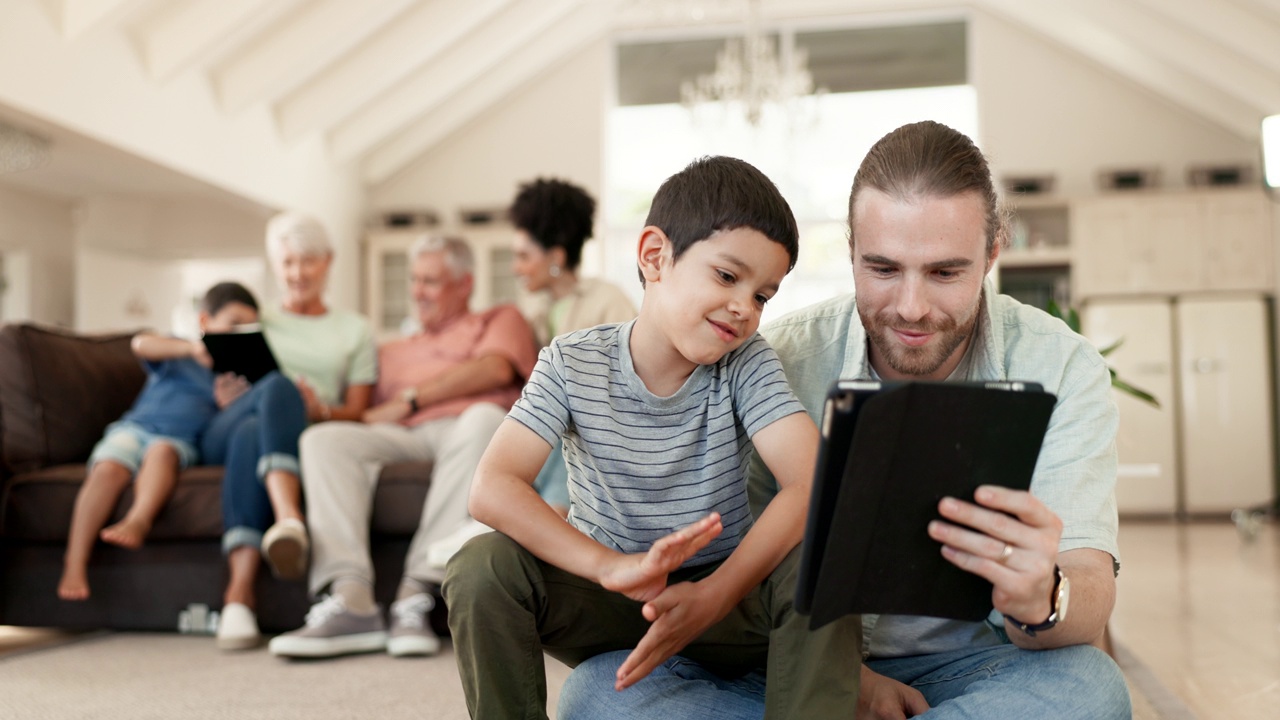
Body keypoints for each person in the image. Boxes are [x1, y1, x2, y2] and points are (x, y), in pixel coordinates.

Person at [559, 121, 1131, 719]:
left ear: (992, 253)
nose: (912, 307)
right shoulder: (770, 359)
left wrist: (1045, 596)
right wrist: (848, 680)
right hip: (779, 665)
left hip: (973, 667)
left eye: (944, 273)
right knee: (600, 693)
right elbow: (727, 565)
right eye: (883, 269)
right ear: (851, 250)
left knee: (1088, 688)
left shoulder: (1062, 365)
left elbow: (1090, 579)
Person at [443, 156, 863, 720]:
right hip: (612, 597)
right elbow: (491, 488)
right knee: (480, 568)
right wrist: (609, 568)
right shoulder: (571, 361)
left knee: (820, 556)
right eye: (726, 276)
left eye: (763, 295)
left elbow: (813, 481)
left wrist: (715, 594)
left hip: (725, 601)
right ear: (655, 257)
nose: (744, 307)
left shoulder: (746, 363)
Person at [268, 234, 538, 660]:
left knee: (485, 418)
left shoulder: (499, 318)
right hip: (404, 437)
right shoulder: (391, 348)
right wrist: (318, 409)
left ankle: (416, 590)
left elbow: (495, 367)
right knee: (323, 441)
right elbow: (363, 413)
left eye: (430, 281)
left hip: (465, 427)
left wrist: (412, 398)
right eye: (414, 280)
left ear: (463, 284)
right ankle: (351, 597)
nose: (416, 292)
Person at [208, 211, 377, 651]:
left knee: (253, 429)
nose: (297, 274)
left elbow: (358, 410)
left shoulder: (354, 329)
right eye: (287, 264)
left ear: (328, 262)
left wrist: (320, 409)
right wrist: (225, 391)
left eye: (307, 262)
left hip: (294, 431)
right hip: (229, 422)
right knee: (270, 395)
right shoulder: (252, 319)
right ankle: (288, 517)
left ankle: (238, 599)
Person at [57, 282, 261, 601]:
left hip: (177, 441)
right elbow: (141, 344)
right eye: (233, 323)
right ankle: (74, 561)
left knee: (162, 453)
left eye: (247, 328)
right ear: (205, 322)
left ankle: (138, 520)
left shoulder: (233, 376)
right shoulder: (178, 351)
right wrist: (191, 348)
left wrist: (226, 406)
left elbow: (223, 429)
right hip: (135, 428)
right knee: (108, 469)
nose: (239, 333)